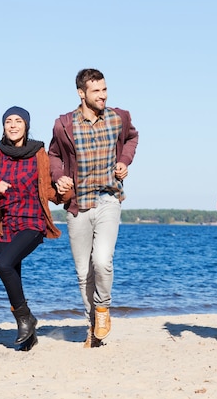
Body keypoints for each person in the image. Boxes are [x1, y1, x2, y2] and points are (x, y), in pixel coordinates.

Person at [49, 69, 139, 348]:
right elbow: (52, 155)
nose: (103, 95)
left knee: (102, 260)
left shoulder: (118, 117)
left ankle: (102, 309)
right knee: (83, 272)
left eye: (104, 89)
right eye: (96, 91)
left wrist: (124, 160)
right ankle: (93, 327)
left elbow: (132, 139)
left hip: (108, 198)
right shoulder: (64, 124)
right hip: (78, 204)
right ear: (81, 93)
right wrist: (58, 176)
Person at [0, 106, 72, 351]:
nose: (13, 125)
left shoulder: (39, 154)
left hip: (33, 221)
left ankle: (25, 318)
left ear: (26, 125)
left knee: (3, 265)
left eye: (18, 120)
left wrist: (64, 192)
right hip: (6, 224)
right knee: (12, 277)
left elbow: (48, 190)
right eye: (9, 121)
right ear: (3, 126)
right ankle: (28, 335)